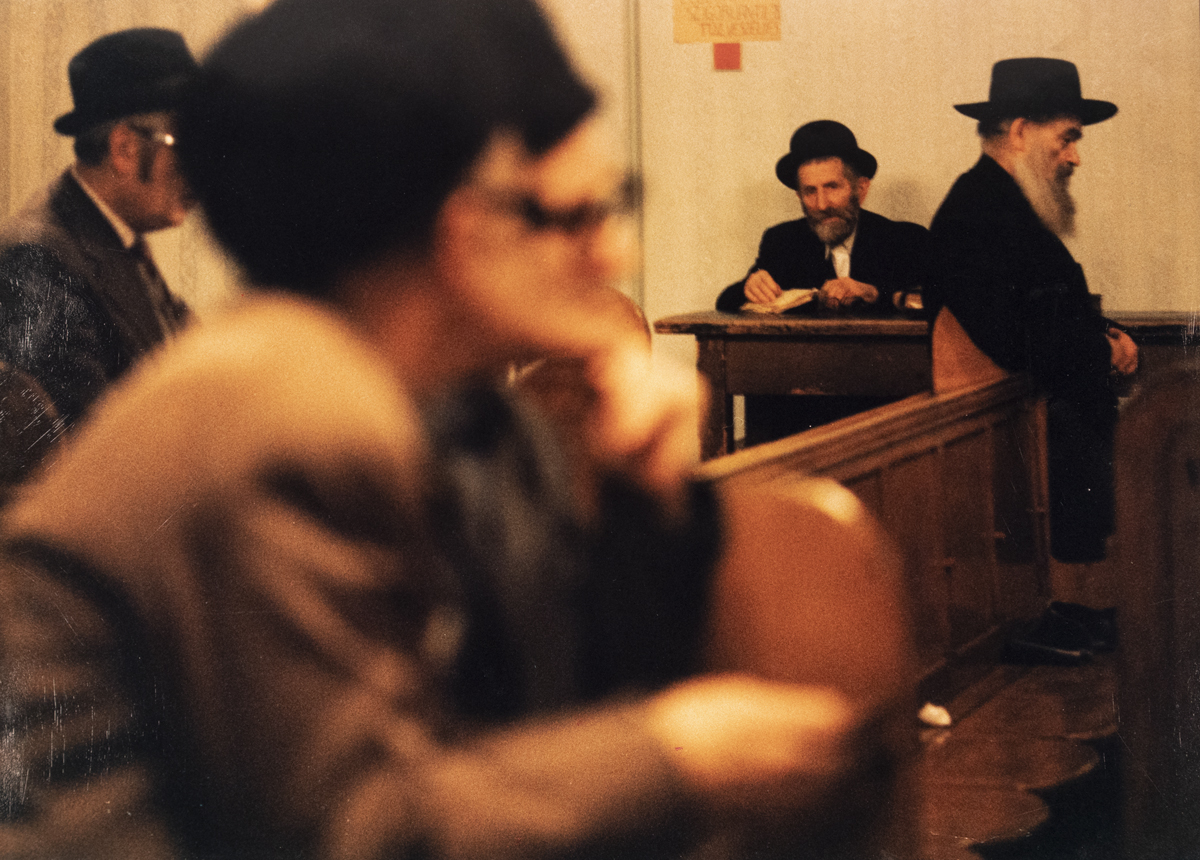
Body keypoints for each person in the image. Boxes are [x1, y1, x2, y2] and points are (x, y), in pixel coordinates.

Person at [0, 1, 887, 858]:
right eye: (582, 215)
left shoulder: (464, 410)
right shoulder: (279, 414)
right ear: (466, 230)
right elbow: (348, 832)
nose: (618, 254)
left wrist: (641, 497)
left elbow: (538, 695)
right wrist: (675, 757)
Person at [926, 57, 1139, 563]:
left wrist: (1110, 333)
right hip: (1020, 445)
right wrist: (1103, 349)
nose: (1075, 157)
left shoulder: (1009, 204)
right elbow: (1018, 335)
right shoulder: (977, 212)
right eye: (1067, 139)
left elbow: (1050, 304)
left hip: (1048, 433)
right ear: (1021, 132)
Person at [0, 28, 195, 432]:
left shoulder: (116, 234)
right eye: (188, 146)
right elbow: (93, 441)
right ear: (125, 149)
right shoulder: (38, 264)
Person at [715, 120, 928, 314]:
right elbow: (725, 302)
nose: (822, 204)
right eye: (810, 191)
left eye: (832, 187)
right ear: (799, 196)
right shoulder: (782, 241)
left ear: (861, 189)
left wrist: (875, 293)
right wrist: (750, 287)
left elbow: (933, 301)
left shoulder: (906, 240)